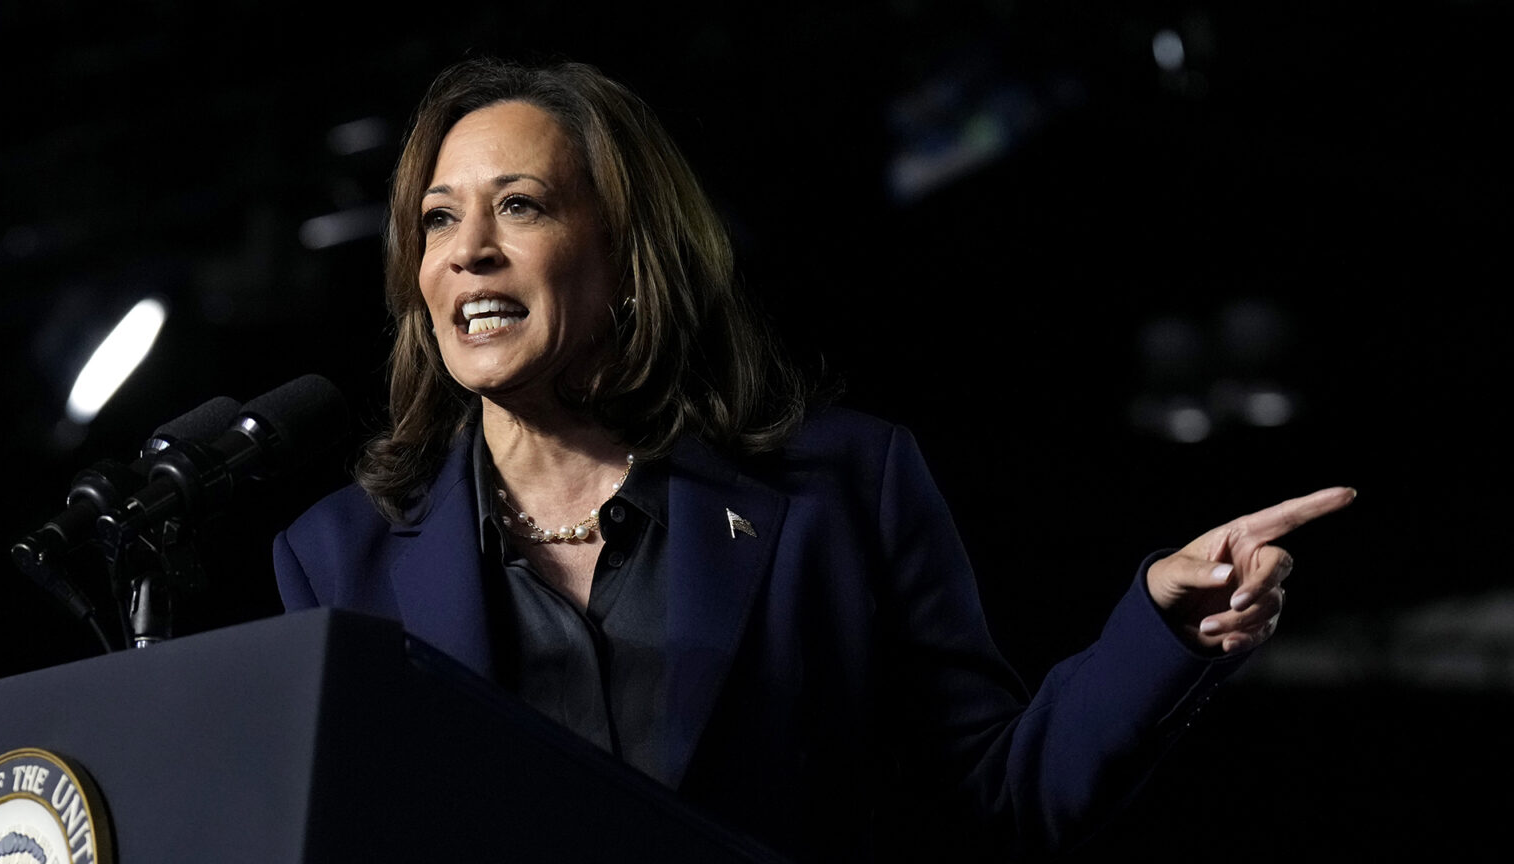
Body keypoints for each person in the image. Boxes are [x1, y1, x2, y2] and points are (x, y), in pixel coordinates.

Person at [272, 57, 1354, 861]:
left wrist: (1161, 627)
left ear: (628, 259)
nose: (468, 250)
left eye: (520, 205)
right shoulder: (338, 559)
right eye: (437, 220)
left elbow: (1003, 794)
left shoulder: (845, 492)